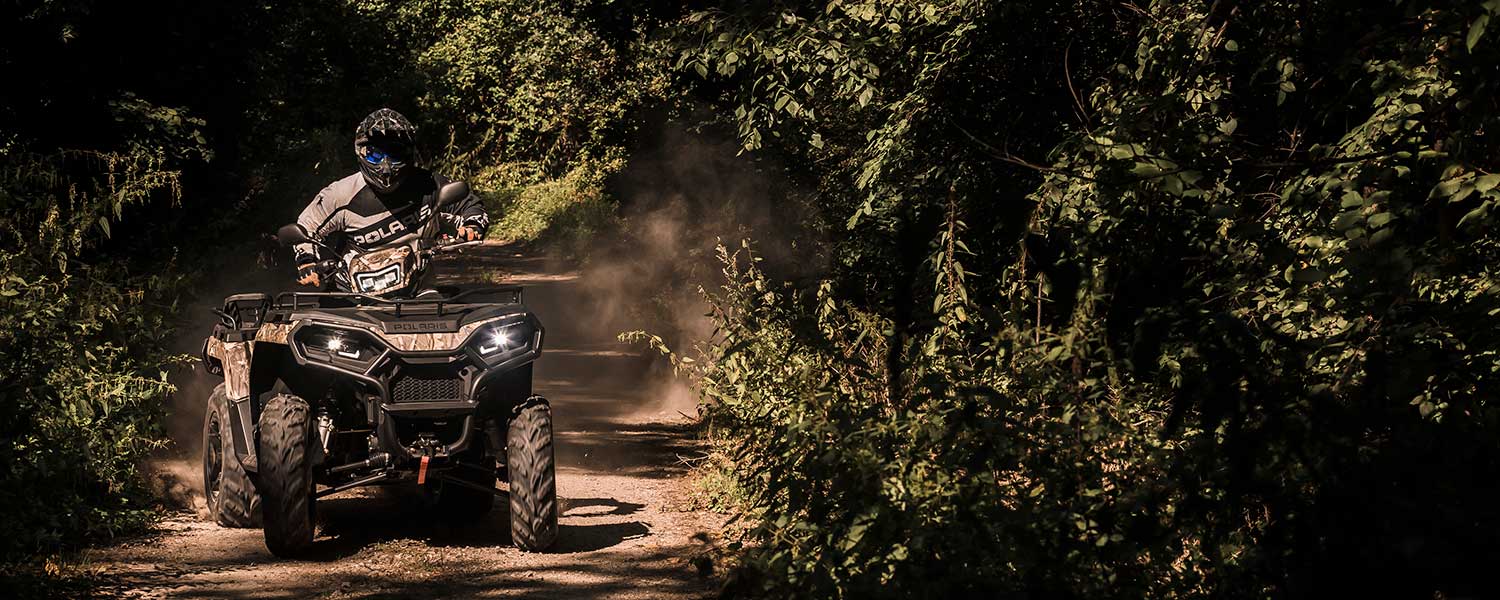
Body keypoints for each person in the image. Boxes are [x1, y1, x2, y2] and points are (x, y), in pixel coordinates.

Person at [292, 108, 488, 288]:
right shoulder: (339, 194)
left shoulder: (430, 185)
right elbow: (307, 226)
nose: (385, 166)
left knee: (450, 313)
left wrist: (472, 225)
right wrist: (307, 261)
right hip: (352, 290)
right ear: (360, 153)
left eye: (395, 153)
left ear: (409, 153)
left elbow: (469, 204)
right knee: (321, 315)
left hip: (418, 285)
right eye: (375, 155)